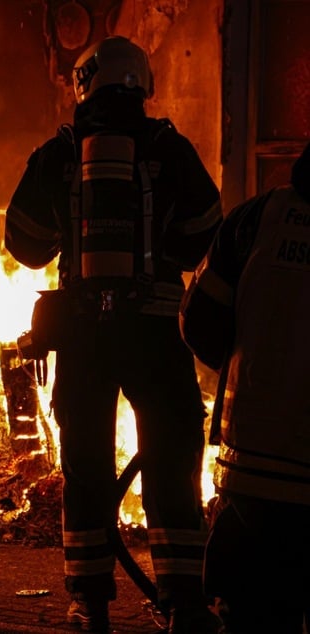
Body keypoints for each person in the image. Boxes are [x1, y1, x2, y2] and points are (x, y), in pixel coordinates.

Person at [4, 36, 223, 633]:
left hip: (83, 337)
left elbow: (21, 242)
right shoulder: (168, 147)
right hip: (156, 333)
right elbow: (206, 225)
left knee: (87, 468)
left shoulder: (60, 153)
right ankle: (184, 602)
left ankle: (89, 604)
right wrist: (165, 256)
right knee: (173, 461)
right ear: (142, 83)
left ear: (84, 84)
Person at [179, 140, 310, 633]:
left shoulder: (256, 219)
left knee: (255, 617)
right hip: (261, 477)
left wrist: (248, 370)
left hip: (256, 480)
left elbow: (198, 323)